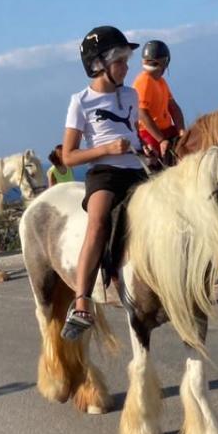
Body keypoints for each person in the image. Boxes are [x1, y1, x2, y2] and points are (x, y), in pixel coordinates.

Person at [61, 26, 148, 340]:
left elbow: (134, 134)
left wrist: (147, 150)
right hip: (104, 172)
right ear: (99, 64)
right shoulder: (81, 101)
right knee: (98, 223)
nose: (126, 67)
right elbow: (69, 156)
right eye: (120, 61)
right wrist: (107, 149)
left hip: (136, 169)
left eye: (126, 61)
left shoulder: (131, 95)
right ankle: (82, 301)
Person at [132, 39, 186, 167]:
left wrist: (181, 131)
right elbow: (141, 113)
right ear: (165, 62)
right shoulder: (144, 80)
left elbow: (173, 107)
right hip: (150, 134)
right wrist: (161, 140)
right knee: (158, 164)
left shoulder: (160, 81)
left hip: (167, 131)